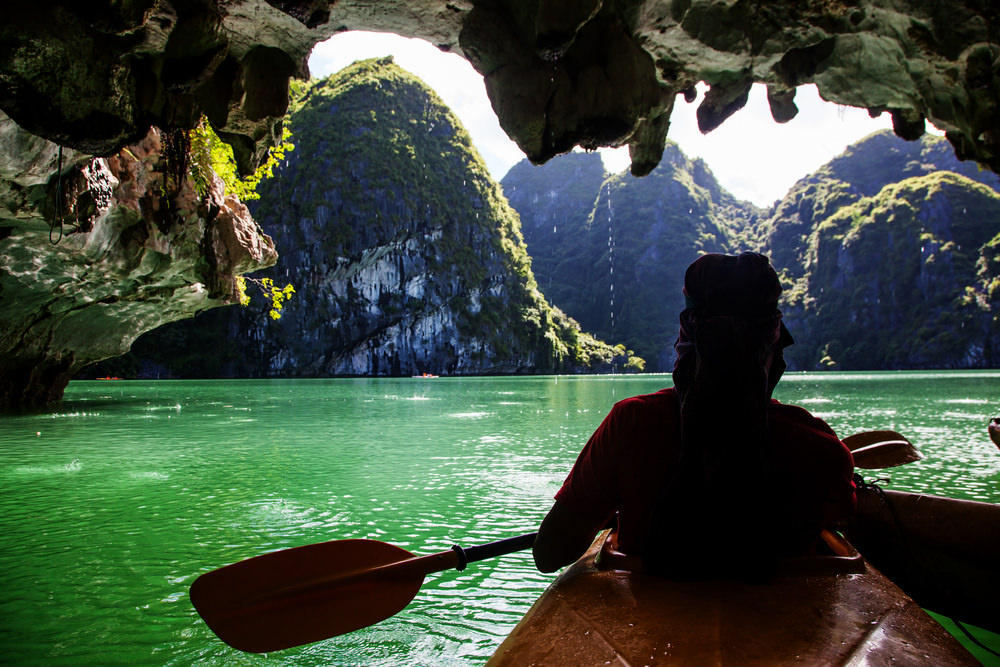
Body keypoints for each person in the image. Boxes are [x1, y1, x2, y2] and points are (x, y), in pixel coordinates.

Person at [532, 252, 856, 579]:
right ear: (774, 341)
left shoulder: (630, 425)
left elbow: (549, 553)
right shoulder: (820, 447)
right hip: (779, 623)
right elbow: (843, 515)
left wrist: (613, 503)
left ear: (686, 336)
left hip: (647, 624)